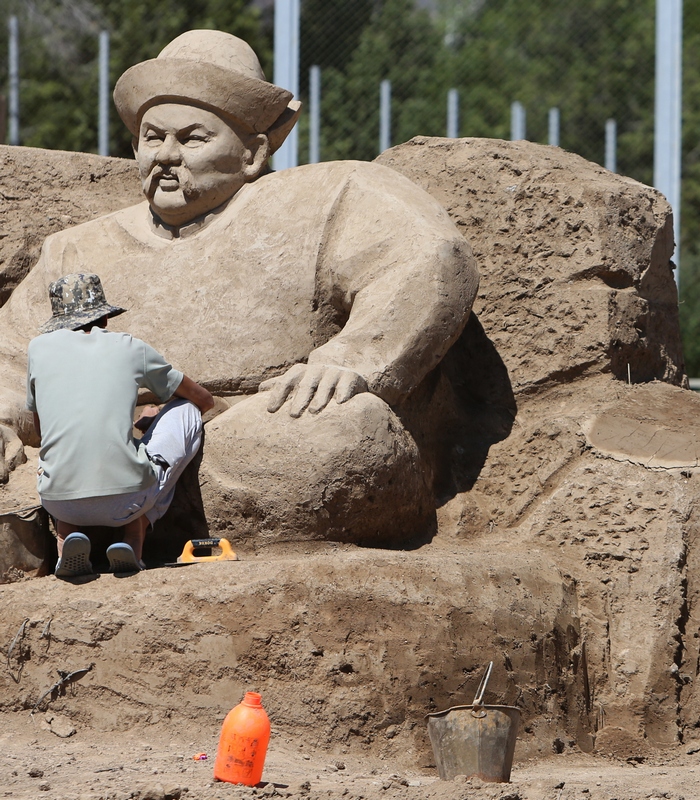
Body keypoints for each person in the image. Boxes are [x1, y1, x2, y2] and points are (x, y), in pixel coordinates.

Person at [0, 30, 477, 545]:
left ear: (252, 153)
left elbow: (429, 259)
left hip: (259, 429)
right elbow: (13, 359)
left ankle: (116, 525)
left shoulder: (327, 196)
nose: (166, 154)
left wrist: (353, 357)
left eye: (193, 138)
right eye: (152, 136)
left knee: (345, 433)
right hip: (104, 442)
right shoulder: (75, 248)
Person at [27, 273, 213, 578]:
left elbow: (42, 430)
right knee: (188, 412)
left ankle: (66, 541)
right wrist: (155, 422)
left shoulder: (38, 349)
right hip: (127, 501)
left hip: (59, 503)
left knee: (59, 452)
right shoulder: (130, 347)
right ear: (105, 318)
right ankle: (134, 537)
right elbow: (202, 400)